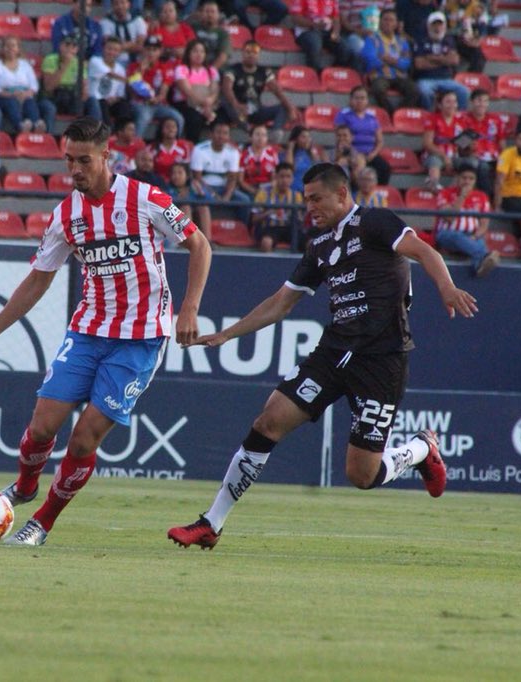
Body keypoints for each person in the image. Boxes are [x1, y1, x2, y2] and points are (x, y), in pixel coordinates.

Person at [167, 161, 478, 549]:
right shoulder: (320, 247)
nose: (309, 207)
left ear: (342, 194)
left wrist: (447, 288)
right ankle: (211, 523)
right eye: (305, 199)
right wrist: (228, 334)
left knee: (361, 474)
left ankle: (419, 450)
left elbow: (424, 251)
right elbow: (280, 303)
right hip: (333, 352)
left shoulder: (376, 223)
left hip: (382, 360)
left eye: (316, 199)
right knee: (268, 421)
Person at [0, 117, 210, 546]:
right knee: (41, 427)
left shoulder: (144, 197)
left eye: (84, 160)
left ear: (106, 156)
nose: (75, 169)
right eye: (68, 160)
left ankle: (41, 522)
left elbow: (199, 245)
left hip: (141, 338)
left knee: (83, 439)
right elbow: (39, 278)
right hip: (88, 330)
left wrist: (189, 308)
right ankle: (24, 487)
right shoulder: (65, 215)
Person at [219, 39, 301, 135]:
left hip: (254, 109)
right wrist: (236, 104)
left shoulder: (264, 71)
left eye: (255, 52)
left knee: (284, 107)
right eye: (248, 52)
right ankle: (250, 130)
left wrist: (290, 108)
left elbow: (277, 90)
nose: (251, 55)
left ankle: (275, 133)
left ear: (258, 55)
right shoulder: (233, 69)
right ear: (242, 53)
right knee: (226, 102)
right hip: (236, 108)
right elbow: (226, 88)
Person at [434, 164, 500, 276]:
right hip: (447, 234)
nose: (467, 181)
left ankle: (478, 268)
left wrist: (474, 237)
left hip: (472, 235)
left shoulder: (481, 197)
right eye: (464, 178)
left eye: (471, 179)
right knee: (458, 237)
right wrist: (462, 197)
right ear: (457, 178)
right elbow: (449, 218)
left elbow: (484, 225)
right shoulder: (445, 193)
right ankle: (484, 256)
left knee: (479, 241)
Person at [191, 119, 251, 230]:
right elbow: (197, 178)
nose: (221, 136)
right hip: (204, 187)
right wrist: (214, 196)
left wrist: (227, 196)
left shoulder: (233, 152)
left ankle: (242, 231)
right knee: (201, 198)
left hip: (223, 187)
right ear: (211, 134)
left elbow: (233, 179)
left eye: (225, 133)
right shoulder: (199, 149)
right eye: (218, 132)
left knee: (245, 200)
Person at [125, 35, 185, 140]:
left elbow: (163, 92)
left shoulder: (165, 67)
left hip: (158, 105)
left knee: (178, 118)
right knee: (144, 117)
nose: (151, 53)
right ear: (143, 50)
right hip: (139, 103)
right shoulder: (133, 66)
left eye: (154, 50)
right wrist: (140, 70)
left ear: (160, 51)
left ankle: (175, 146)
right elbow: (132, 92)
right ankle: (135, 146)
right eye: (148, 49)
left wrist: (156, 99)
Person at [361, 8, 421, 115]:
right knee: (378, 89)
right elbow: (370, 60)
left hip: (399, 76)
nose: (388, 23)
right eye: (385, 20)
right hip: (379, 75)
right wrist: (394, 61)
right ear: (380, 22)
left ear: (396, 24)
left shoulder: (402, 41)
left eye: (391, 20)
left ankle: (398, 114)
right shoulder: (371, 39)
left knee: (414, 90)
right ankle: (389, 114)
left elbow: (406, 63)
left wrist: (388, 60)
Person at [39, 34, 102, 129]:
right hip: (54, 96)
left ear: (77, 49)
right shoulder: (50, 59)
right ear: (60, 46)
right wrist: (65, 65)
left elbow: (84, 90)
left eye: (74, 46)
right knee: (49, 108)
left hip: (71, 97)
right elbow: (48, 87)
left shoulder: (78, 62)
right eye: (67, 45)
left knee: (92, 101)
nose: (70, 48)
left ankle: (94, 135)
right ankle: (49, 137)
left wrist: (83, 92)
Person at [0, 36, 48, 135]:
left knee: (30, 102)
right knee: (12, 103)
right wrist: (11, 95)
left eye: (13, 46)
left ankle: (36, 124)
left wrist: (26, 94)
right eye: (7, 46)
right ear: (2, 49)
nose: (10, 48)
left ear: (18, 49)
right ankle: (20, 126)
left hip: (24, 94)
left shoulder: (25, 65)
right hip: (5, 96)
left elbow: (34, 85)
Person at [411, 12, 470, 111]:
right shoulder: (421, 40)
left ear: (444, 26)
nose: (437, 28)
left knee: (464, 91)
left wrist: (432, 58)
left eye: (440, 25)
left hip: (446, 79)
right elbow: (419, 64)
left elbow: (455, 60)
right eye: (434, 25)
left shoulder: (449, 40)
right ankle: (428, 116)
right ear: (429, 26)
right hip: (426, 79)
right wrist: (444, 60)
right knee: (425, 91)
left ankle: (459, 118)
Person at [334, 85, 392, 185]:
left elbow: (380, 140)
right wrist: (354, 152)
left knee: (384, 168)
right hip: (352, 152)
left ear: (367, 100)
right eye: (356, 98)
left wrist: (373, 154)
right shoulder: (344, 115)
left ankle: (375, 196)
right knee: (357, 169)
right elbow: (341, 137)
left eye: (362, 98)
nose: (359, 101)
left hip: (370, 154)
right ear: (351, 99)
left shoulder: (372, 117)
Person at [171, 39, 219, 143]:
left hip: (207, 104)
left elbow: (215, 90)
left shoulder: (211, 70)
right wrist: (203, 106)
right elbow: (187, 91)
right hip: (186, 104)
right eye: (195, 51)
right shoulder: (181, 69)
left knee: (219, 118)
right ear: (188, 53)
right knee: (195, 119)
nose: (199, 54)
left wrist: (209, 102)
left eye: (202, 51)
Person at [459, 88, 504, 197]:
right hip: (475, 157)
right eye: (479, 100)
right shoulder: (463, 120)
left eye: (485, 101)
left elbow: (502, 142)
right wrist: (469, 148)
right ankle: (487, 198)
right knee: (482, 166)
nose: (482, 104)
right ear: (471, 102)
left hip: (494, 157)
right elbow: (460, 146)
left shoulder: (496, 120)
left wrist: (503, 158)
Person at [289, 0, 356, 72]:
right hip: (307, 31)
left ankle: (330, 75)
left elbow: (336, 18)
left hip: (327, 31)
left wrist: (335, 32)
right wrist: (314, 25)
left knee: (345, 49)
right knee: (314, 44)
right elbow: (295, 18)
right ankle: (314, 75)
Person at [251, 161, 303, 252]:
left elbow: (300, 220)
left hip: (289, 228)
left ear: (292, 179)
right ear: (276, 177)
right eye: (282, 176)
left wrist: (298, 216)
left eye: (288, 177)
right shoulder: (263, 193)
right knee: (266, 243)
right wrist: (268, 213)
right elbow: (254, 219)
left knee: (311, 244)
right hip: (269, 228)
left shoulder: (296, 196)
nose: (285, 180)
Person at [421, 89, 466, 191]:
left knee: (468, 164)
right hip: (435, 154)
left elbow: (461, 145)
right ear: (440, 105)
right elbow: (427, 144)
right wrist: (444, 157)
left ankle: (452, 190)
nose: (452, 105)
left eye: (454, 101)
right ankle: (434, 184)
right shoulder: (432, 119)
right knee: (434, 160)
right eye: (448, 102)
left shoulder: (461, 120)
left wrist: (470, 146)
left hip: (454, 156)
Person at [89, 36, 134, 127]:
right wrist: (130, 80)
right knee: (102, 103)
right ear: (103, 49)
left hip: (111, 102)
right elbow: (109, 74)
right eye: (109, 49)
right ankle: (107, 133)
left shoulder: (120, 69)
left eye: (116, 50)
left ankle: (121, 132)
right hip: (96, 101)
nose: (112, 52)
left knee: (124, 105)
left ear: (119, 52)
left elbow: (120, 93)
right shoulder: (95, 61)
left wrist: (115, 99)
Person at [238, 123, 279, 197]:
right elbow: (241, 180)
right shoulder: (244, 155)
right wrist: (254, 191)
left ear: (267, 138)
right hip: (249, 189)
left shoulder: (272, 154)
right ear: (250, 137)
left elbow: (275, 178)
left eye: (264, 135)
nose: (260, 138)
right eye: (257, 134)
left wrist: (266, 190)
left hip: (267, 189)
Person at [100, 0, 148, 64]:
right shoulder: (105, 22)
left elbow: (141, 45)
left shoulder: (138, 20)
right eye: (116, 3)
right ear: (112, 6)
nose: (120, 6)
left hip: (136, 62)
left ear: (129, 4)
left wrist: (118, 47)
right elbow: (109, 46)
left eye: (123, 3)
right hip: (114, 62)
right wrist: (132, 43)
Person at [188, 0, 231, 71]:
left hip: (216, 68)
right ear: (201, 13)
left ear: (218, 14)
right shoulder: (194, 28)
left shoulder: (223, 33)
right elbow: (188, 50)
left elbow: (223, 57)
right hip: (194, 66)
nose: (210, 14)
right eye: (207, 11)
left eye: (213, 12)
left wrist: (210, 71)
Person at [150, 117, 192, 182]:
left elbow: (186, 170)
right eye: (168, 127)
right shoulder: (152, 148)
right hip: (157, 182)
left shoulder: (184, 147)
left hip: (177, 183)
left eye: (173, 127)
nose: (171, 129)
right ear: (161, 129)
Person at [286, 124, 324, 193]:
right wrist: (290, 148)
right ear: (295, 139)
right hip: (294, 191)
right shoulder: (290, 154)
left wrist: (313, 151)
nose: (307, 140)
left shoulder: (311, 153)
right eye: (303, 137)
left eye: (308, 137)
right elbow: (289, 169)